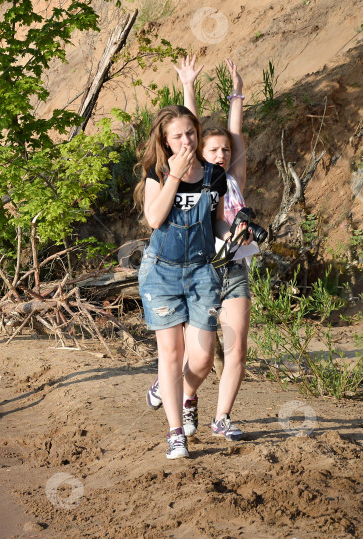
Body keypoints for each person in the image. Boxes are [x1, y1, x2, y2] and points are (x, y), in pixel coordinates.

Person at [146, 56, 257, 442]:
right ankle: (176, 395)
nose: (219, 155)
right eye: (212, 150)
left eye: (224, 151)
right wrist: (188, 86)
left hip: (232, 267)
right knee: (194, 355)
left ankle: (218, 415)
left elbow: (232, 137)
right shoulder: (189, 172)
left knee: (233, 346)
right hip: (196, 266)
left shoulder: (229, 177)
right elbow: (185, 130)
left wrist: (237, 95)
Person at [134, 105, 239, 459]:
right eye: (177, 136)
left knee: (203, 358)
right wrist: (175, 176)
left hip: (201, 271)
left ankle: (176, 389)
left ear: (197, 131)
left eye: (190, 133)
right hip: (161, 272)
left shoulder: (215, 174)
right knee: (172, 352)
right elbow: (153, 218)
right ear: (165, 140)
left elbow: (217, 223)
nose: (185, 141)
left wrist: (234, 230)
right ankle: (176, 433)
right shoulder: (158, 172)